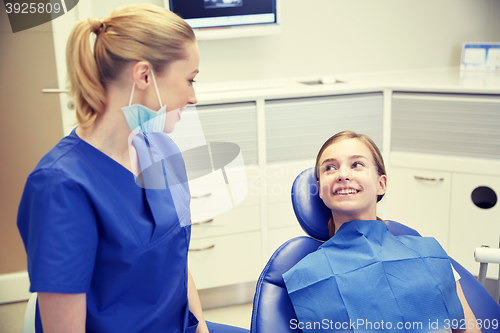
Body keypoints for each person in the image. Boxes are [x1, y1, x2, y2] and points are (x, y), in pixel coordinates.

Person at [17, 4, 248, 333]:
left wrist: (201, 329)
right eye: (189, 80)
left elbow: (176, 262)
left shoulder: (161, 149)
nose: (193, 97)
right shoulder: (61, 186)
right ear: (143, 76)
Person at [282, 131, 481, 333]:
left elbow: (468, 330)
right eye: (330, 168)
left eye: (357, 164)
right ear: (321, 190)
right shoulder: (307, 277)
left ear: (381, 184)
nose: (342, 174)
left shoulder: (430, 255)